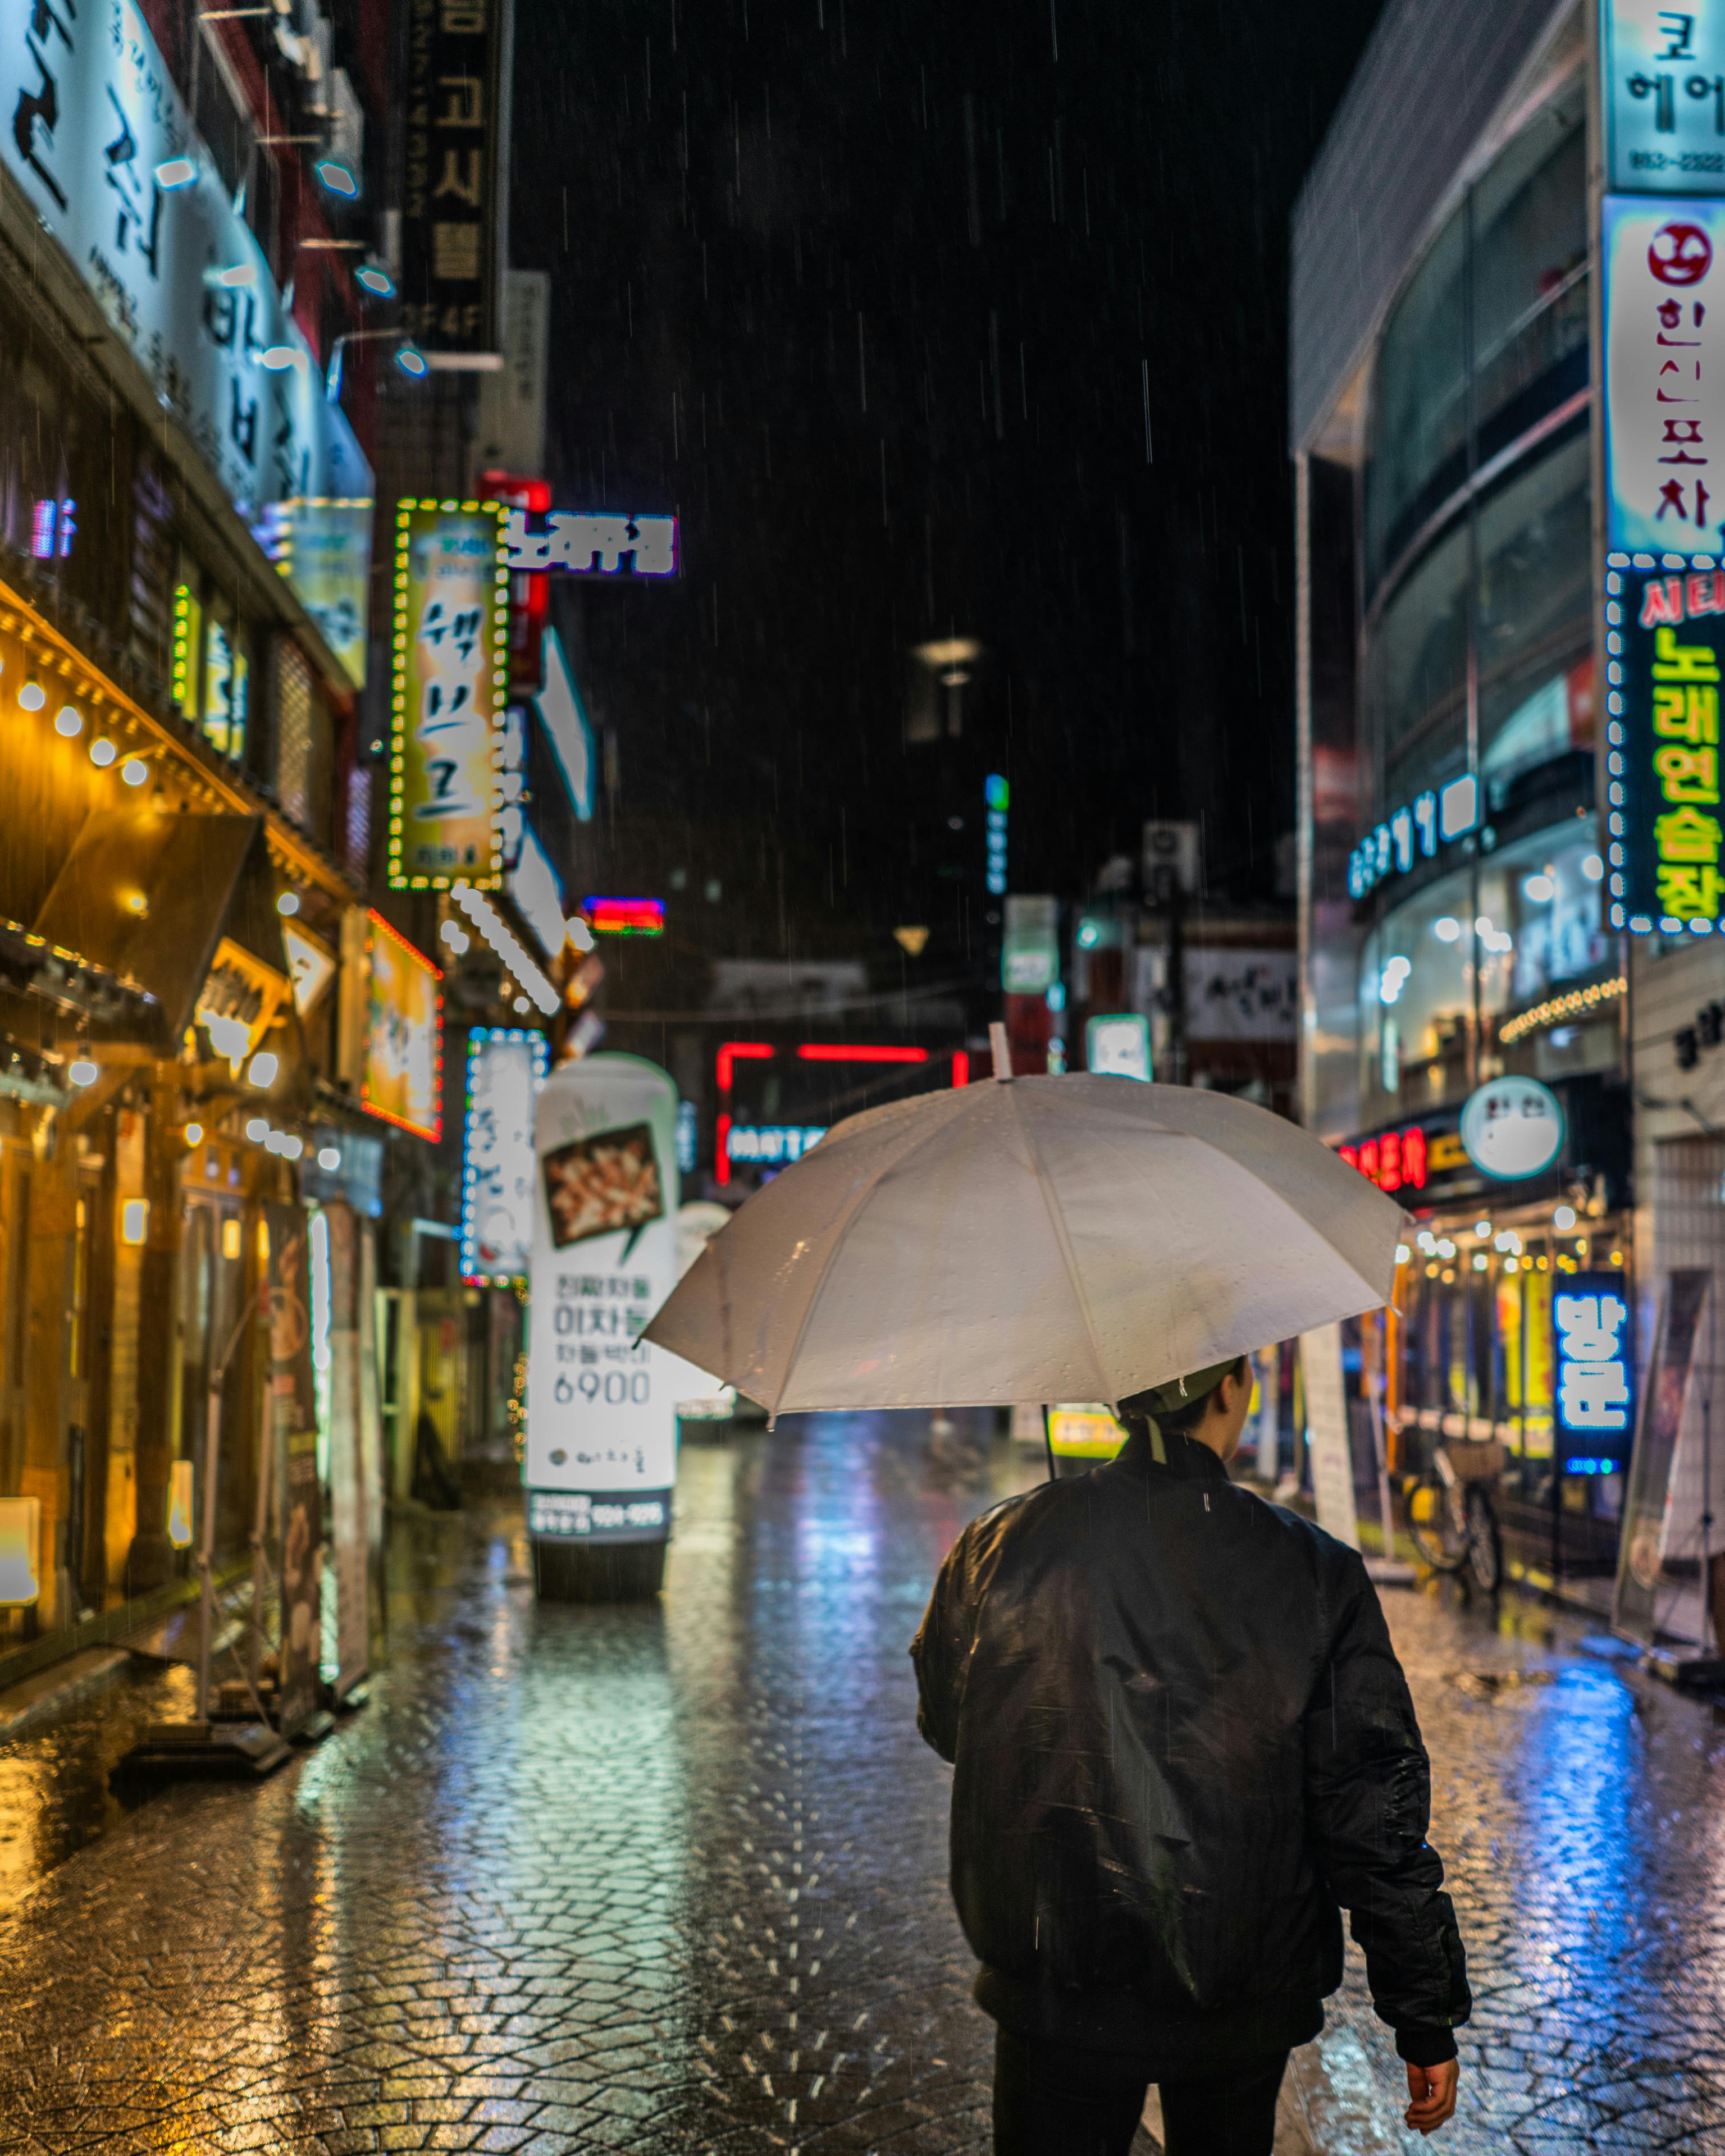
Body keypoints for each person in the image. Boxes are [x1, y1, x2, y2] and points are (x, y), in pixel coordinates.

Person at [911, 1355, 1469, 2156]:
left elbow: (951, 1728)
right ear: (1233, 1387)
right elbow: (1371, 1812)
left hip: (1054, 1982)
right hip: (1240, 2000)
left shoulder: (1002, 1543)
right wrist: (1424, 2011)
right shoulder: (1315, 1571)